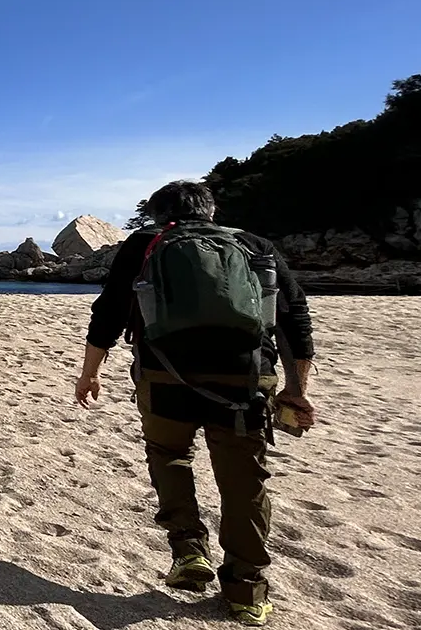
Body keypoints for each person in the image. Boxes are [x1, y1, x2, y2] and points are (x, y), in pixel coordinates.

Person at [76, 180, 316, 627]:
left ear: (156, 214)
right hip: (243, 380)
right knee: (244, 481)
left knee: (169, 456)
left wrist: (91, 371)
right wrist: (296, 389)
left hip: (164, 375)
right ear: (211, 212)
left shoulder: (146, 244)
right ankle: (247, 591)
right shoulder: (253, 245)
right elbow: (294, 318)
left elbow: (108, 310)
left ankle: (188, 551)